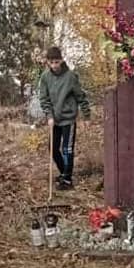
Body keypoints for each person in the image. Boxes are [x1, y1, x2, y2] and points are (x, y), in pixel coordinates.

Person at [38, 45, 91, 190]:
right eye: (51, 62)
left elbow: (81, 97)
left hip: (68, 119)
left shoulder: (71, 77)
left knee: (67, 149)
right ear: (48, 62)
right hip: (54, 120)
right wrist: (49, 116)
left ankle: (67, 180)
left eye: (57, 62)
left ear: (61, 60)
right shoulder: (45, 77)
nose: (54, 65)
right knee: (53, 148)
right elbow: (44, 99)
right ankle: (64, 172)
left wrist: (86, 116)